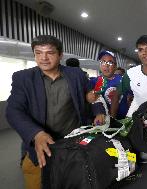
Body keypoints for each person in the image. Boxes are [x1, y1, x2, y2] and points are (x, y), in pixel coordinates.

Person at [5, 35, 102, 189]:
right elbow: (13, 110)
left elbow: (92, 96)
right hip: (40, 149)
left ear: (60, 55)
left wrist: (98, 111)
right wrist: (36, 134)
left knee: (73, 182)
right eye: (38, 53)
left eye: (49, 53)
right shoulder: (23, 78)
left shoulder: (76, 75)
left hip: (73, 145)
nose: (43, 58)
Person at [87, 50, 131, 121]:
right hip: (104, 121)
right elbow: (90, 99)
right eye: (103, 62)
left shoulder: (124, 81)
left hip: (124, 120)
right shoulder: (94, 81)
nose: (106, 65)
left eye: (110, 62)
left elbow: (130, 100)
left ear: (115, 66)